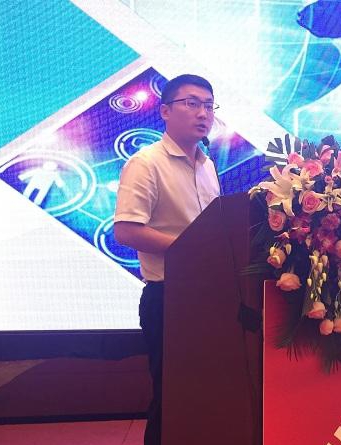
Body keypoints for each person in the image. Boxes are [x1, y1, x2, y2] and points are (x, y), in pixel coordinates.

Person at [114, 74, 220, 445]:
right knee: (172, 398)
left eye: (209, 106)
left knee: (205, 397)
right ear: (165, 111)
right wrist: (190, 248)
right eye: (192, 103)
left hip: (210, 297)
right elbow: (126, 230)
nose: (203, 113)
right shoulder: (146, 163)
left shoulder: (207, 165)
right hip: (168, 298)